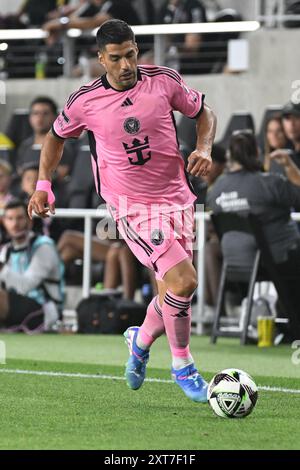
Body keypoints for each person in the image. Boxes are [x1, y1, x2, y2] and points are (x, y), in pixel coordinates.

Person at [28, 19, 216, 403]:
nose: (126, 65)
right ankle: (183, 365)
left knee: (171, 293)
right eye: (116, 58)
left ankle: (140, 340)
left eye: (131, 54)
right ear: (101, 59)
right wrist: (43, 185)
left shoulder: (163, 81)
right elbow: (55, 138)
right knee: (183, 281)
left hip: (177, 197)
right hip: (131, 206)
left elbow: (203, 113)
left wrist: (205, 148)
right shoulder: (85, 101)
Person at [207, 130, 300, 341]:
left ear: (230, 155)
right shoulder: (269, 183)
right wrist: (288, 165)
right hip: (275, 261)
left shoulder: (216, 190)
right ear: (257, 152)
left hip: (235, 264)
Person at [0, 199, 64, 333]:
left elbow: (25, 286)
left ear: (30, 220)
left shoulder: (44, 247)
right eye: (10, 219)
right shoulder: (6, 250)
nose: (15, 224)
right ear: (4, 222)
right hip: (17, 306)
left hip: (44, 311)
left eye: (20, 218)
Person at [17, 97, 74, 181]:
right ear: (30, 117)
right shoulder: (24, 146)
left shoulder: (64, 145)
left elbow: (63, 172)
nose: (40, 118)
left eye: (45, 113)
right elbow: (19, 171)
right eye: (36, 113)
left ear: (56, 117)